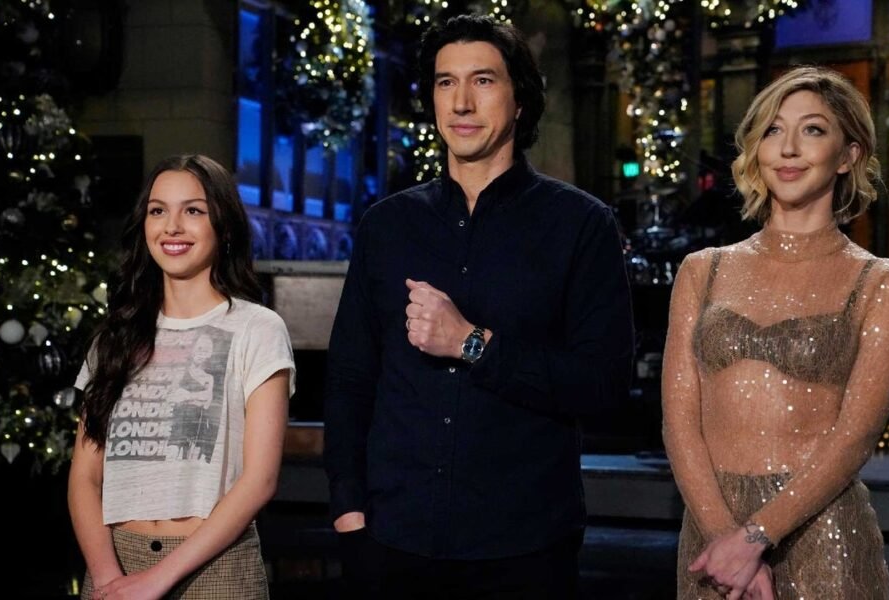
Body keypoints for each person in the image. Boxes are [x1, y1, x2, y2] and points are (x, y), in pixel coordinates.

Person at [324, 14, 634, 599]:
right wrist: (348, 512)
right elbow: (348, 379)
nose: (461, 102)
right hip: (391, 541)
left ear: (521, 100)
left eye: (483, 80)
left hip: (524, 547)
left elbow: (604, 386)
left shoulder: (580, 225)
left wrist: (472, 343)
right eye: (446, 82)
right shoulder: (386, 226)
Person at [662, 66, 889, 599]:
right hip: (713, 534)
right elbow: (679, 423)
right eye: (774, 130)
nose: (789, 148)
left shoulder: (882, 281)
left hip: (822, 531)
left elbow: (856, 436)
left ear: (847, 155)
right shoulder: (703, 270)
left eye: (813, 130)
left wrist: (755, 536)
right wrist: (727, 540)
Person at [68, 154, 296, 599]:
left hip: (215, 566)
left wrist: (157, 579)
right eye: (158, 211)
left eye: (193, 210)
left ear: (223, 227)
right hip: (114, 562)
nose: (172, 227)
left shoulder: (258, 328)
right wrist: (108, 577)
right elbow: (84, 478)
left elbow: (260, 480)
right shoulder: (115, 336)